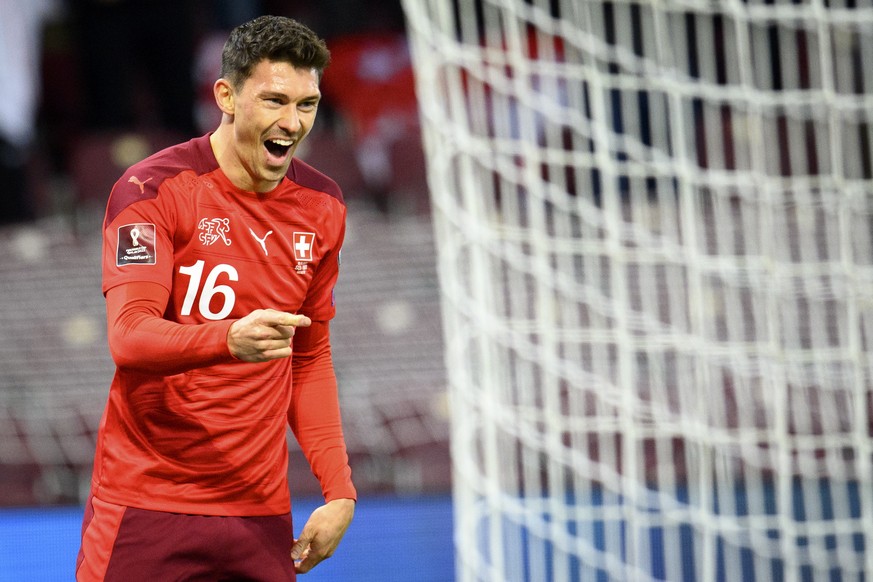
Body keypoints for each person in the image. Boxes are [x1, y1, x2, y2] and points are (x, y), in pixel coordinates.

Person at [76, 15, 356, 581]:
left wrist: (339, 489)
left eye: (307, 104)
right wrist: (228, 338)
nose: (292, 122)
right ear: (225, 95)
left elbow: (308, 357)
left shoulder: (323, 206)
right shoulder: (151, 190)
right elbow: (129, 336)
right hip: (147, 502)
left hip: (259, 512)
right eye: (275, 100)